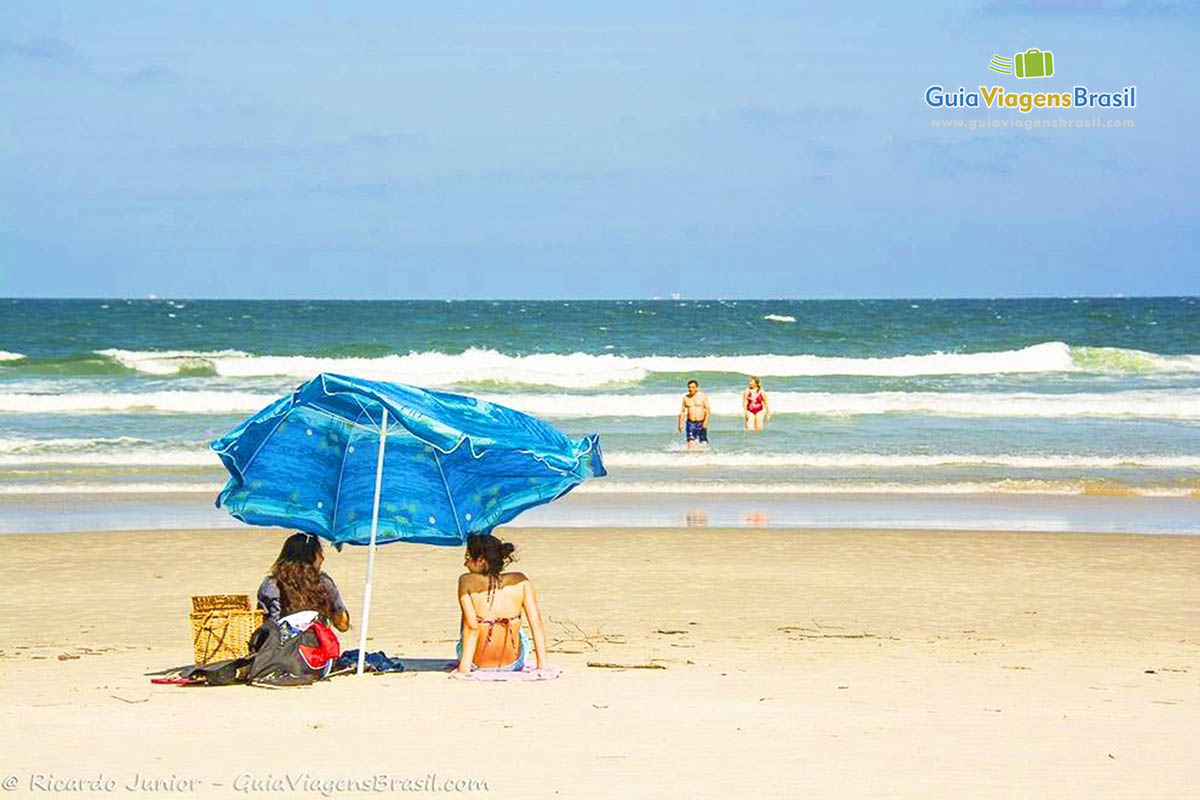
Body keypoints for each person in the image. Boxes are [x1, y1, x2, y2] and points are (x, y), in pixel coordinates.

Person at [455, 533, 548, 673]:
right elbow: (536, 624)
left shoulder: (466, 581)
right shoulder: (521, 581)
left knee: (470, 617)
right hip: (513, 664)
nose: (465, 563)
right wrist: (542, 667)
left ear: (480, 560)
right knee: (518, 625)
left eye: (467, 558)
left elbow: (472, 628)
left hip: (476, 664)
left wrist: (464, 670)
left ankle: (469, 662)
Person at [257, 532, 350, 632]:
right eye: (320, 554)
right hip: (316, 644)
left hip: (279, 644)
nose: (322, 559)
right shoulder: (323, 583)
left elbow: (260, 620)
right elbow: (342, 625)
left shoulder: (270, 584)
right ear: (311, 558)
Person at [677, 379, 711, 450]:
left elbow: (707, 409)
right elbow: (682, 411)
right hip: (690, 423)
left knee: (703, 443)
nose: (690, 389)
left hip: (701, 423)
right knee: (690, 442)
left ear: (696, 388)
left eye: (692, 387)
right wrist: (680, 424)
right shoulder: (686, 398)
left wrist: (706, 422)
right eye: (689, 387)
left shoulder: (702, 396)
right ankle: (691, 458)